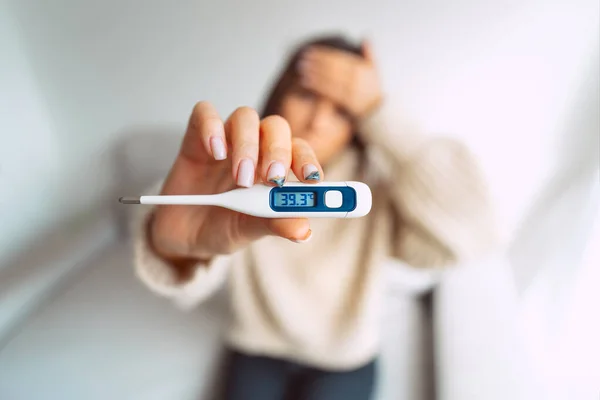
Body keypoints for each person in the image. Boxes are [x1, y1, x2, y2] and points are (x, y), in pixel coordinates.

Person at [131, 34, 499, 400]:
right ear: (279, 97)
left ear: (358, 125)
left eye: (342, 109)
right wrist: (171, 245)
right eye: (306, 95)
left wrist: (379, 109)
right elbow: (189, 271)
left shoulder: (381, 188)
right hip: (257, 349)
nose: (318, 121)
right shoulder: (241, 176)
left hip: (344, 360)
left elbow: (475, 233)